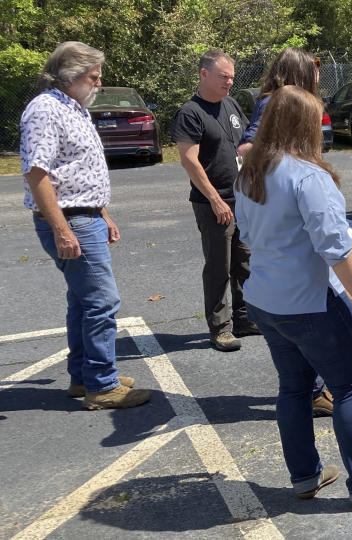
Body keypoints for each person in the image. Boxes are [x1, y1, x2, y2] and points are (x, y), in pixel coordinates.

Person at [234, 85, 352, 509]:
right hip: (310, 301)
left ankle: (305, 476)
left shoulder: (249, 172)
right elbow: (336, 247)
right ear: (304, 127)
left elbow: (245, 235)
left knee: (292, 388)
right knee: (348, 388)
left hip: (265, 298)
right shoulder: (308, 176)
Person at [20, 41, 152, 410]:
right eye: (93, 77)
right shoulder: (46, 110)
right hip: (70, 220)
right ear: (71, 76)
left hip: (84, 215)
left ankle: (83, 377)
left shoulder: (72, 108)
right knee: (101, 301)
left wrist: (103, 213)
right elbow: (37, 173)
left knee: (82, 300)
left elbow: (79, 170)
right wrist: (62, 229)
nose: (97, 84)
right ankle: (101, 385)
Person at [235, 46, 334, 418]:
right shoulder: (277, 102)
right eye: (315, 68)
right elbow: (247, 147)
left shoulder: (292, 100)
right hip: (283, 208)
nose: (320, 75)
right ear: (299, 72)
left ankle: (309, 390)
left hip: (291, 197)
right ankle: (313, 391)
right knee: (307, 322)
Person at [172, 49, 257, 352]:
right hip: (214, 202)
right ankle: (220, 328)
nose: (230, 82)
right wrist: (215, 200)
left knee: (244, 262)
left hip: (240, 199)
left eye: (232, 77)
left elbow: (244, 141)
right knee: (219, 267)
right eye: (224, 77)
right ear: (204, 74)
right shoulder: (190, 113)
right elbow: (188, 160)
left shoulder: (231, 105)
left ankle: (244, 318)